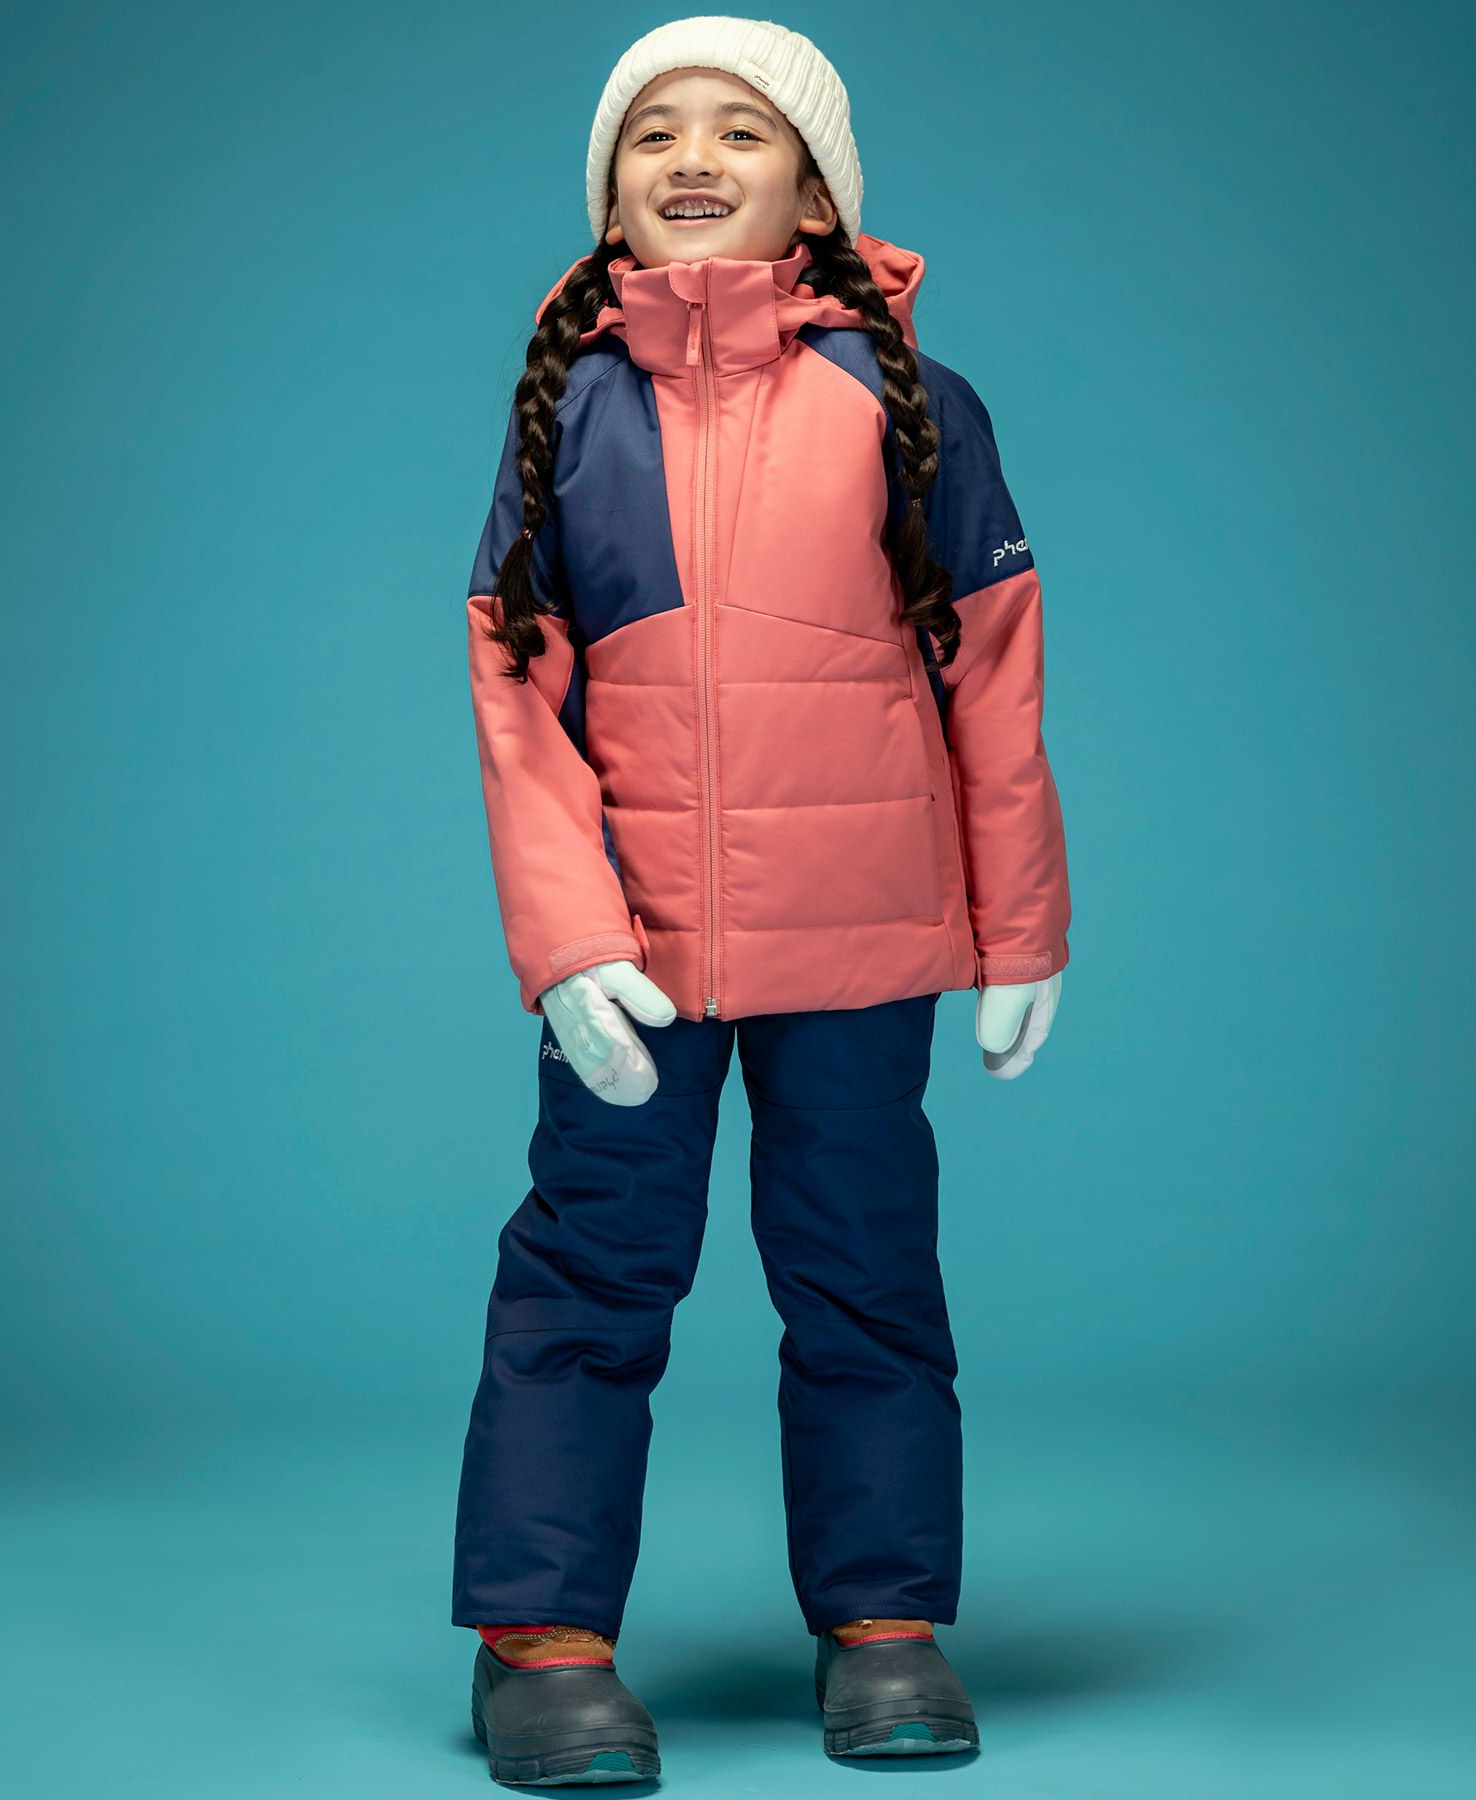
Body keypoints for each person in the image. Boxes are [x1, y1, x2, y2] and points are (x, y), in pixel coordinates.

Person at [451, 15, 1072, 1784]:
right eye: (655, 133)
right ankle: (540, 1642)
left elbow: (993, 678)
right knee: (588, 1275)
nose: (695, 159)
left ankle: (885, 1627)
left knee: (866, 1275)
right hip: (638, 963)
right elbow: (515, 696)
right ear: (611, 195)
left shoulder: (911, 405)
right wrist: (569, 946)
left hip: (865, 943)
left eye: (743, 130)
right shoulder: (571, 414)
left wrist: (1022, 926)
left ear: (816, 190)